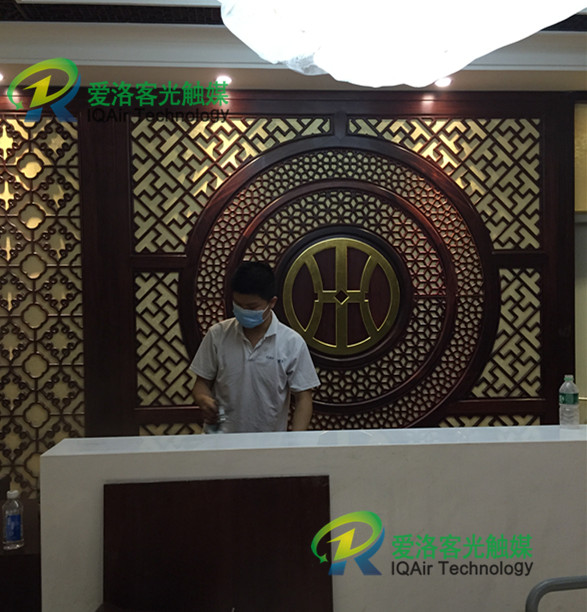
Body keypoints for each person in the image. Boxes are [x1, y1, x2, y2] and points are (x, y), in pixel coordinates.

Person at [190, 261, 320, 432]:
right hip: (221, 439)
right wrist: (203, 399)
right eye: (238, 305)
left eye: (251, 307)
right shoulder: (217, 335)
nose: (244, 311)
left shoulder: (291, 343)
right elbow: (201, 383)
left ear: (272, 302)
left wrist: (295, 441)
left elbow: (304, 398)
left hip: (269, 441)